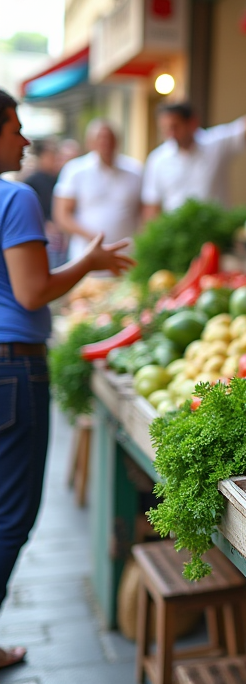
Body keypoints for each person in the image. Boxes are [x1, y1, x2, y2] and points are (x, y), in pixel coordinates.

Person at [0, 89, 133, 669]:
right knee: (12, 513)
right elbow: (32, 291)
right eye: (15, 128)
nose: (25, 140)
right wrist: (88, 264)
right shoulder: (16, 197)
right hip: (13, 366)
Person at [142, 48, 246, 219]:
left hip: (215, 234)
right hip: (179, 238)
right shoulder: (157, 160)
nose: (170, 133)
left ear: (192, 123)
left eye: (175, 127)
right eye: (165, 128)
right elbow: (151, 209)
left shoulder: (214, 144)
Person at [53, 119, 143, 261]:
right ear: (89, 143)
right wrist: (93, 237)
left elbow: (144, 211)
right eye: (100, 138)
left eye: (109, 138)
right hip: (86, 254)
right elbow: (62, 215)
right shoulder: (75, 170)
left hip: (126, 254)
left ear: (117, 141)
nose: (105, 143)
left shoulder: (135, 170)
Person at [19, 140, 68, 269]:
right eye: (51, 155)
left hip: (58, 230)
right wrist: (45, 222)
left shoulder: (57, 178)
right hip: (43, 230)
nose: (54, 159)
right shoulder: (32, 181)